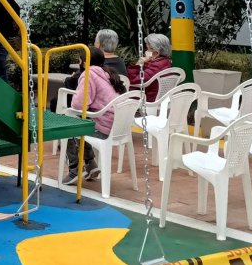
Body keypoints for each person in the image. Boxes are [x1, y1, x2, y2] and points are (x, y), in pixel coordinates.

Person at [63, 46, 127, 186]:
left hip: (103, 127)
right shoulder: (107, 72)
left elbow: (78, 106)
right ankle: (90, 164)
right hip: (118, 126)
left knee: (67, 124)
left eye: (80, 60)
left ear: (85, 63)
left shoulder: (88, 75)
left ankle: (74, 169)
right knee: (82, 121)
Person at [127, 33, 174, 102]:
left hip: (147, 99)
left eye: (147, 49)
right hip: (160, 98)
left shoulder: (155, 66)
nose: (145, 52)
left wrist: (140, 62)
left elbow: (133, 80)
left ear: (156, 53)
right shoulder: (166, 62)